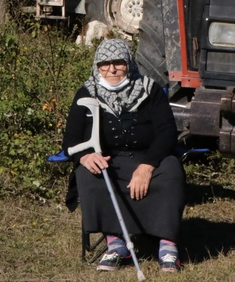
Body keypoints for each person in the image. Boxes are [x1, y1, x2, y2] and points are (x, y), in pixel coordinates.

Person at [62, 39, 185, 272]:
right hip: (109, 161)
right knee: (88, 174)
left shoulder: (150, 91)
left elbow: (167, 132)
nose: (111, 69)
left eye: (118, 63)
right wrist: (85, 157)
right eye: (104, 64)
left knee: (170, 171)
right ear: (97, 66)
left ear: (128, 64)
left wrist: (147, 166)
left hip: (148, 158)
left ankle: (168, 247)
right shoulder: (87, 93)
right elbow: (71, 140)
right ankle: (116, 244)